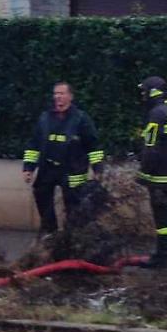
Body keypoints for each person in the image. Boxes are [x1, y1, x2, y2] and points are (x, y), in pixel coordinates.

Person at [22, 82, 104, 236]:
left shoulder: (81, 119)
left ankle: (73, 239)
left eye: (62, 93)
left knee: (74, 209)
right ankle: (49, 235)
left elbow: (93, 145)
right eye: (55, 93)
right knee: (41, 196)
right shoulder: (45, 118)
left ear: (70, 97)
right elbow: (33, 144)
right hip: (48, 169)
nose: (58, 97)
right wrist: (28, 168)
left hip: (72, 170)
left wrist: (98, 168)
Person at [135, 76, 167, 269]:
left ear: (152, 92)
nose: (142, 95)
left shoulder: (156, 114)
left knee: (162, 219)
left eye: (144, 91)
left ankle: (162, 257)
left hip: (159, 175)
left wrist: (142, 172)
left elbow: (151, 147)